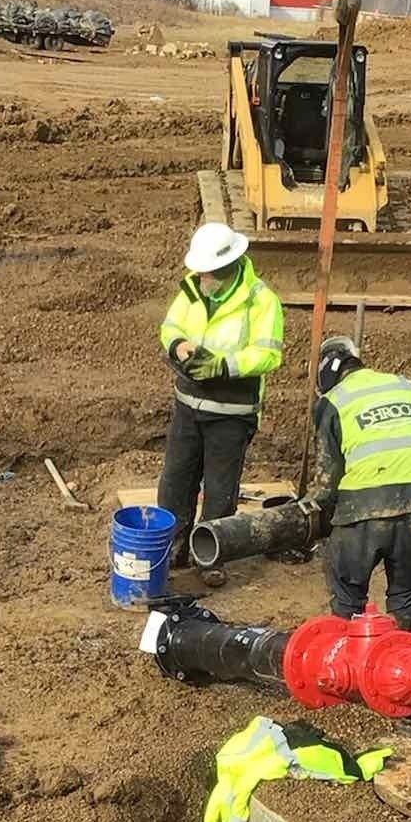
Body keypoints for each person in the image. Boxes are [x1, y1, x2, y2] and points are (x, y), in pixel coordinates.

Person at [158, 224, 283, 587]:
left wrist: (223, 365)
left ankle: (209, 555)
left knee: (220, 490)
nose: (201, 277)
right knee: (176, 481)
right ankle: (174, 548)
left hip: (230, 412)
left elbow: (268, 355)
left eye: (207, 272)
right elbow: (171, 325)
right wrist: (178, 345)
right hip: (188, 405)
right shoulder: (193, 287)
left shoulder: (261, 300)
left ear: (227, 269)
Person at [311, 336, 411, 636]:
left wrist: (316, 516)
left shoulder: (333, 401)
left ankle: (349, 664)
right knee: (408, 593)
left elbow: (326, 483)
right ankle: (404, 666)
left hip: (363, 508)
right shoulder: (408, 387)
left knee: (348, 594)